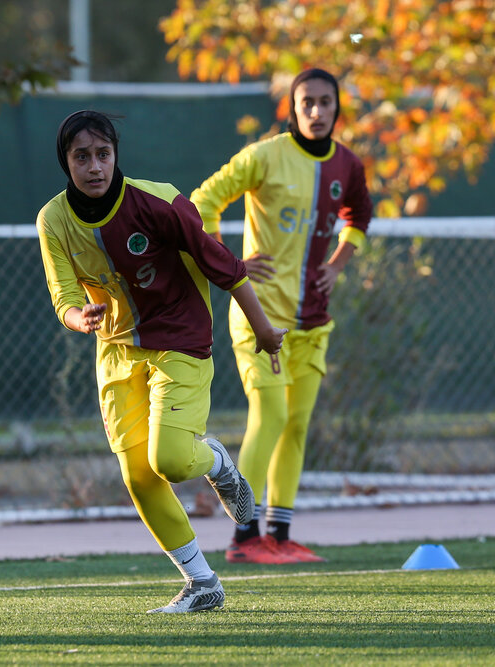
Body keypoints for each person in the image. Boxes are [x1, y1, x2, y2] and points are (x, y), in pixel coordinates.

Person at [36, 110, 287, 612]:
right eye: (81, 157)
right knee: (138, 476)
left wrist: (262, 328)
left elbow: (224, 265)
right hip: (115, 350)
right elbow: (62, 293)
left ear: (116, 155)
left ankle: (217, 462)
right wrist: (76, 316)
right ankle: (202, 584)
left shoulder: (160, 201)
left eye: (102, 154)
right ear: (66, 163)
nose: (94, 167)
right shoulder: (53, 220)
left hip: (180, 338)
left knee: (170, 460)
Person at [190, 68, 373, 565]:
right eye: (306, 102)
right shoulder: (264, 156)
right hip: (259, 316)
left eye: (325, 102)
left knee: (296, 425)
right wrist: (230, 263)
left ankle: (280, 531)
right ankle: (244, 538)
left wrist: (337, 266)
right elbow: (203, 201)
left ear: (338, 108)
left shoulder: (348, 166)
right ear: (291, 109)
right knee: (269, 417)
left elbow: (360, 219)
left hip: (313, 320)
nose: (316, 111)